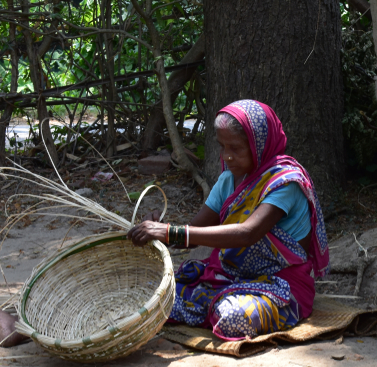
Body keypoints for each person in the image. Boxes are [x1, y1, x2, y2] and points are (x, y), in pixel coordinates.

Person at [128, 100, 330, 340]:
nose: (227, 157)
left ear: (259, 145)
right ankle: (214, 304)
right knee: (154, 297)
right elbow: (192, 234)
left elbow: (248, 233)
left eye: (236, 148)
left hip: (280, 284)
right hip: (228, 278)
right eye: (222, 147)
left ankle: (218, 307)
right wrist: (156, 230)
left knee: (232, 317)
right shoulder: (228, 180)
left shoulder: (284, 183)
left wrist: (171, 232)